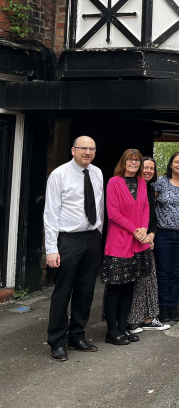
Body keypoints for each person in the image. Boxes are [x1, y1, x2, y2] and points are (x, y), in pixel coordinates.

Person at [44, 136, 104, 361]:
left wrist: (99, 234)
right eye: (83, 148)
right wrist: (51, 248)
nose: (87, 152)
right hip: (68, 239)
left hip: (91, 239)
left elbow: (99, 207)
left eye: (91, 149)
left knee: (86, 291)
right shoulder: (59, 175)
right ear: (73, 150)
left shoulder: (97, 173)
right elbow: (50, 213)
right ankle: (57, 341)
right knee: (63, 291)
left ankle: (76, 336)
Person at [102, 149, 151, 346]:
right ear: (123, 162)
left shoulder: (141, 182)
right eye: (130, 160)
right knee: (115, 287)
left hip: (137, 243)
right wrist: (135, 230)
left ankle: (123, 327)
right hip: (119, 243)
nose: (133, 163)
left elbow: (146, 206)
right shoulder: (114, 182)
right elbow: (112, 213)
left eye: (137, 160)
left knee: (130, 286)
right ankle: (111, 331)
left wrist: (145, 228)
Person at [125, 156, 170, 333]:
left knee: (148, 280)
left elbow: (151, 215)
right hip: (129, 239)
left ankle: (148, 318)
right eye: (145, 167)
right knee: (131, 282)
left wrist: (151, 235)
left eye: (152, 168)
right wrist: (140, 235)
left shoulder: (150, 188)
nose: (148, 171)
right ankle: (129, 320)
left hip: (146, 239)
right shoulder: (128, 186)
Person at [153, 152, 179, 322]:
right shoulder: (160, 182)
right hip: (163, 234)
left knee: (176, 272)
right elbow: (148, 204)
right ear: (171, 165)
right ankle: (162, 307)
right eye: (176, 162)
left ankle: (172, 307)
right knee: (163, 272)